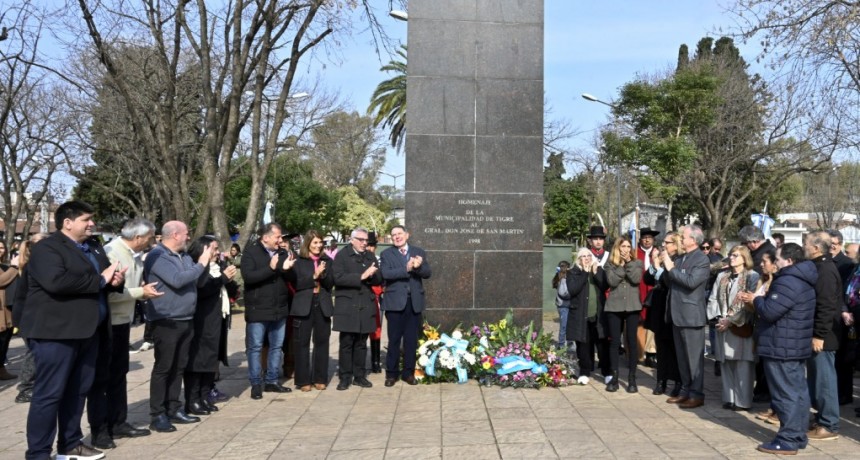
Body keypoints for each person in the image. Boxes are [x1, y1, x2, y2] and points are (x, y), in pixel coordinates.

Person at [19, 201, 126, 460]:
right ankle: (38, 452)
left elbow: (98, 280)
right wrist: (101, 279)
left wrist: (112, 282)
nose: (92, 224)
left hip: (89, 331)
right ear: (67, 222)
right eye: (86, 219)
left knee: (77, 391)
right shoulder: (48, 248)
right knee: (49, 394)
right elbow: (56, 282)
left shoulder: (92, 246)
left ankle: (70, 443)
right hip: (56, 333)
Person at [87, 218, 161, 449]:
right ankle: (100, 429)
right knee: (103, 378)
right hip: (108, 322)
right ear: (138, 238)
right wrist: (141, 292)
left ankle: (118, 422)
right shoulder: (111, 253)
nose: (151, 242)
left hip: (123, 322)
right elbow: (109, 292)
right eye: (149, 238)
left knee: (119, 373)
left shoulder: (134, 254)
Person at [742, 243, 816, 455]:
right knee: (797, 392)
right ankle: (798, 435)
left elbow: (770, 311)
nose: (775, 262)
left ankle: (788, 439)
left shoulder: (788, 281)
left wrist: (757, 299)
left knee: (785, 394)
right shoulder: (802, 277)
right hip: (791, 344)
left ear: (790, 260)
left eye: (778, 258)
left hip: (782, 345)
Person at [144, 220, 212, 433]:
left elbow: (197, 281)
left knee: (179, 366)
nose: (189, 237)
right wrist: (201, 263)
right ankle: (158, 414)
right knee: (164, 367)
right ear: (175, 235)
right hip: (166, 319)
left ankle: (174, 408)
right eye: (186, 234)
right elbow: (177, 280)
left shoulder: (183, 256)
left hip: (185, 318)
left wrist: (205, 264)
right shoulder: (158, 256)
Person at [184, 236, 237, 416]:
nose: (217, 252)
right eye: (214, 249)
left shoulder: (218, 267)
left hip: (217, 319)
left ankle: (205, 396)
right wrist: (222, 279)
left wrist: (229, 281)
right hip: (201, 320)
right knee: (198, 360)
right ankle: (193, 399)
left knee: (211, 360)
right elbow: (203, 289)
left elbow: (228, 290)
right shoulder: (196, 267)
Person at [241, 223, 295, 399]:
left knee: (276, 346)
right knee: (255, 347)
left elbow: (290, 279)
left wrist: (287, 269)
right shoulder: (251, 252)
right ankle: (256, 383)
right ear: (266, 237)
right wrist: (271, 268)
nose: (281, 240)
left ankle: (272, 380)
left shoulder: (282, 253)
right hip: (258, 309)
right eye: (277, 237)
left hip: (279, 308)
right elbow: (249, 278)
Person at [662, 224, 711, 409]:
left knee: (693, 359)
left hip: (691, 316)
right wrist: (666, 268)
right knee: (682, 358)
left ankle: (696, 393)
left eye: (683, 237)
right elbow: (671, 282)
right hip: (677, 314)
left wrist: (671, 269)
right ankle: (685, 390)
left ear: (693, 240)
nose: (681, 240)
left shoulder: (701, 260)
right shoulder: (682, 258)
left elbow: (691, 282)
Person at [707, 245, 759, 412]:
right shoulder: (723, 275)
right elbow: (713, 298)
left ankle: (743, 401)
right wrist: (717, 318)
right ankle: (728, 398)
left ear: (745, 258)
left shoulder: (752, 276)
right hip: (722, 324)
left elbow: (749, 303)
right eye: (730, 255)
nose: (731, 258)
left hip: (741, 325)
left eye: (736, 255)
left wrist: (730, 320)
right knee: (726, 363)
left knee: (742, 364)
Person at [380, 225, 432, 387]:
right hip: (395, 304)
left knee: (411, 341)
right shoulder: (386, 254)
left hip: (414, 303)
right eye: (394, 235)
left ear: (407, 235)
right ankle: (391, 374)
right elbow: (386, 274)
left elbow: (428, 273)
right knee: (394, 340)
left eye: (400, 234)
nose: (397, 237)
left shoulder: (419, 251)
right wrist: (407, 268)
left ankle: (408, 373)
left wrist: (418, 267)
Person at [333, 227, 383, 390]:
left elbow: (379, 278)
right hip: (348, 304)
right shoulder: (342, 255)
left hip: (365, 304)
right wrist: (361, 276)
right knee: (347, 342)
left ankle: (359, 375)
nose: (364, 243)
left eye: (366, 240)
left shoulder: (369, 256)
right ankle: (345, 376)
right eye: (360, 240)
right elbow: (338, 278)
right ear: (352, 240)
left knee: (362, 342)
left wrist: (372, 275)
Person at [803, 230, 841, 441]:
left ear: (816, 247)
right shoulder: (819, 266)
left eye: (806, 244)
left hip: (824, 337)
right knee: (817, 380)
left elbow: (826, 306)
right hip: (816, 334)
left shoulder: (825, 269)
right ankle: (821, 419)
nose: (804, 247)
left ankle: (829, 424)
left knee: (824, 381)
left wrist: (819, 335)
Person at [288, 229, 334, 392]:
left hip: (322, 303)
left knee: (322, 342)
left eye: (320, 242)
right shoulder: (299, 261)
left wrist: (323, 274)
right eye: (315, 242)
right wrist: (314, 276)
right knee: (302, 343)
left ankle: (320, 378)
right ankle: (303, 380)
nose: (318, 245)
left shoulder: (327, 260)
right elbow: (297, 284)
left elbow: (330, 284)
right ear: (308, 243)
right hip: (303, 304)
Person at [644, 232, 683, 397]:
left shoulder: (679, 260)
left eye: (667, 242)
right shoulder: (661, 258)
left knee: (674, 348)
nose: (663, 245)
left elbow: (669, 280)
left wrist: (661, 267)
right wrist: (654, 264)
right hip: (659, 308)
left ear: (675, 244)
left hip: (673, 307)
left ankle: (678, 381)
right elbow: (647, 279)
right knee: (661, 347)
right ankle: (661, 381)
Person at [739, 224, 775, 402]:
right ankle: (761, 388)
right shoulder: (761, 251)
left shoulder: (767, 253)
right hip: (756, 305)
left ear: (753, 242)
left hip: (762, 307)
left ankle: (764, 389)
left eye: (746, 243)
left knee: (763, 356)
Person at [11, 234, 48, 404]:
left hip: (34, 317)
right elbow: (21, 297)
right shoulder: (34, 265)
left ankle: (34, 386)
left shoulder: (37, 264)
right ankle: (25, 389)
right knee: (33, 354)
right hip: (29, 317)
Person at [602, 236, 643, 393]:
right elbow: (612, 281)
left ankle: (632, 378)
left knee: (631, 342)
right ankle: (614, 377)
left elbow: (636, 278)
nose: (625, 249)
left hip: (632, 307)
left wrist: (628, 264)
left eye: (627, 246)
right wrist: (621, 266)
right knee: (614, 343)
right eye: (622, 247)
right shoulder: (609, 264)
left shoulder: (637, 263)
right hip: (614, 307)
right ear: (617, 249)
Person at [565, 248, 607, 381]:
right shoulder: (573, 272)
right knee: (583, 345)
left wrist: (595, 273)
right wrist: (584, 273)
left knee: (602, 344)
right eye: (583, 256)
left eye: (589, 255)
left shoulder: (598, 270)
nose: (587, 258)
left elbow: (605, 286)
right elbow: (573, 290)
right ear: (578, 259)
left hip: (598, 315)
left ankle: (607, 371)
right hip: (580, 316)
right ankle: (584, 371)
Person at [826, 229, 856, 406]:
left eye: (834, 244)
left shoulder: (846, 264)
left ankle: (845, 394)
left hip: (844, 316)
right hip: (834, 315)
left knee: (844, 358)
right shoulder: (826, 261)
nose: (831, 247)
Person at [636, 227, 659, 367]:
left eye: (649, 238)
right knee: (638, 323)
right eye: (644, 237)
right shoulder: (635, 253)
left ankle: (651, 353)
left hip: (653, 292)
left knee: (652, 322)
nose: (647, 240)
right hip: (638, 291)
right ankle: (638, 353)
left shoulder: (658, 253)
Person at [0, 240, 21, 380]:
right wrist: (14, 267)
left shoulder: (4, 265)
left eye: (2, 247)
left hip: (7, 310)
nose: (1, 250)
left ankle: (1, 370)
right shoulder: (10, 267)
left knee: (4, 342)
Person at [366, 232, 384, 374]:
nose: (370, 248)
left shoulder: (378, 260)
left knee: (376, 330)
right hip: (362, 296)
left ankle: (375, 361)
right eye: (368, 245)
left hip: (376, 297)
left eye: (372, 245)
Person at [553, 261, 572, 350]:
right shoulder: (563, 279)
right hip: (564, 305)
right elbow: (564, 293)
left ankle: (567, 343)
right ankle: (562, 344)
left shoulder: (559, 277)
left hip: (563, 305)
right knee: (564, 325)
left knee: (566, 325)